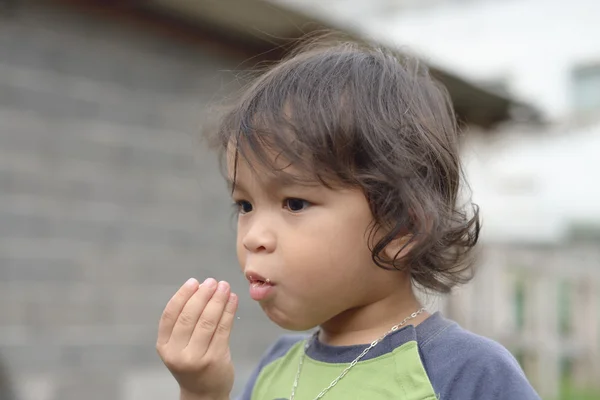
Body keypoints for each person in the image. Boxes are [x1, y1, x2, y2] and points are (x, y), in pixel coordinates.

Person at [156, 37, 541, 400]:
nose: (253, 236)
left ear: (401, 227)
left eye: (294, 203)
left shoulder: (466, 373)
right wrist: (202, 392)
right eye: (245, 206)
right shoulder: (276, 368)